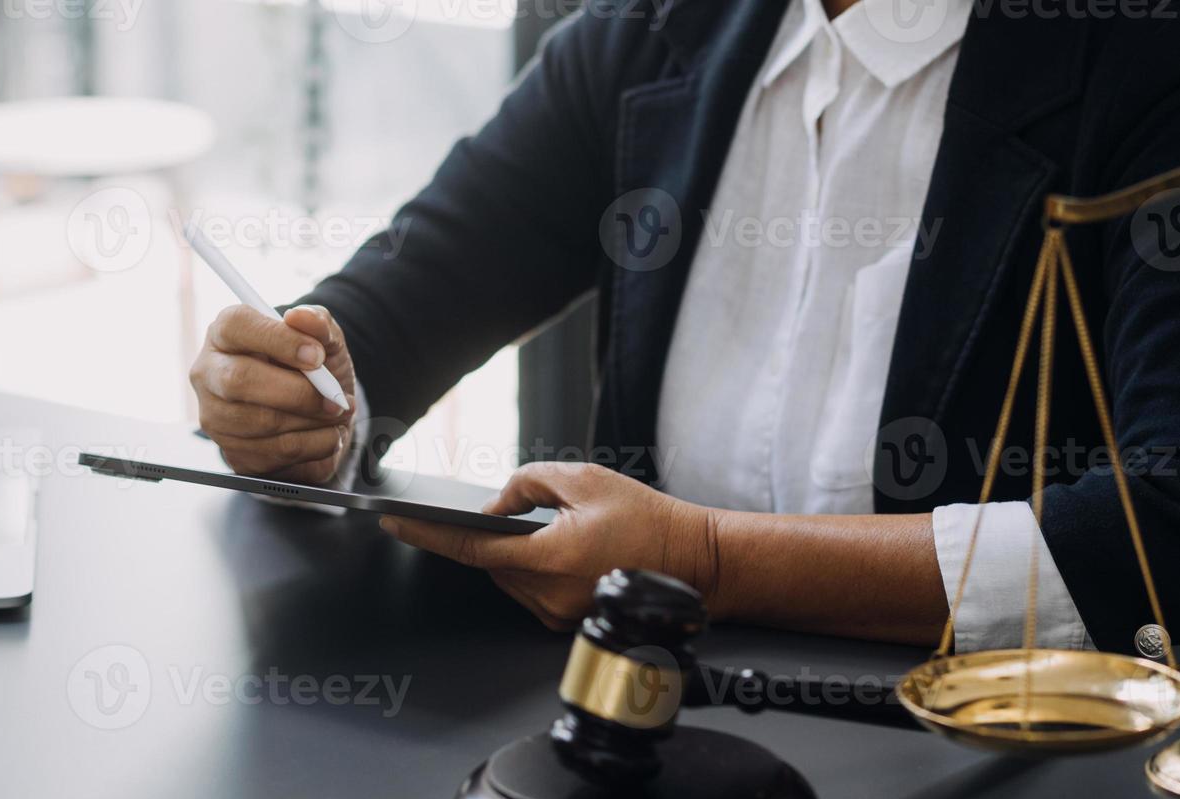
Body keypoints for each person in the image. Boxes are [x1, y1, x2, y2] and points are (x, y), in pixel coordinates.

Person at [188, 0, 1180, 653]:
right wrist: (295, 399)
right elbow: (385, 324)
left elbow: (1162, 522)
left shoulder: (1139, 59)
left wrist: (709, 557)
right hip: (660, 748)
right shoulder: (653, 34)